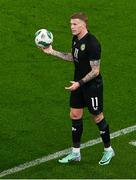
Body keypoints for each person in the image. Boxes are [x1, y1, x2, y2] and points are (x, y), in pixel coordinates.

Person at [40, 12, 115, 165]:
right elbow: (73, 57)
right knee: (75, 115)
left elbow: (95, 71)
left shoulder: (93, 43)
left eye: (74, 24)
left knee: (97, 116)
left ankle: (108, 150)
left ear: (83, 25)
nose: (71, 27)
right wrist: (52, 52)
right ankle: (76, 153)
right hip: (78, 84)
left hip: (92, 86)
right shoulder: (75, 39)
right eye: (70, 24)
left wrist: (79, 83)